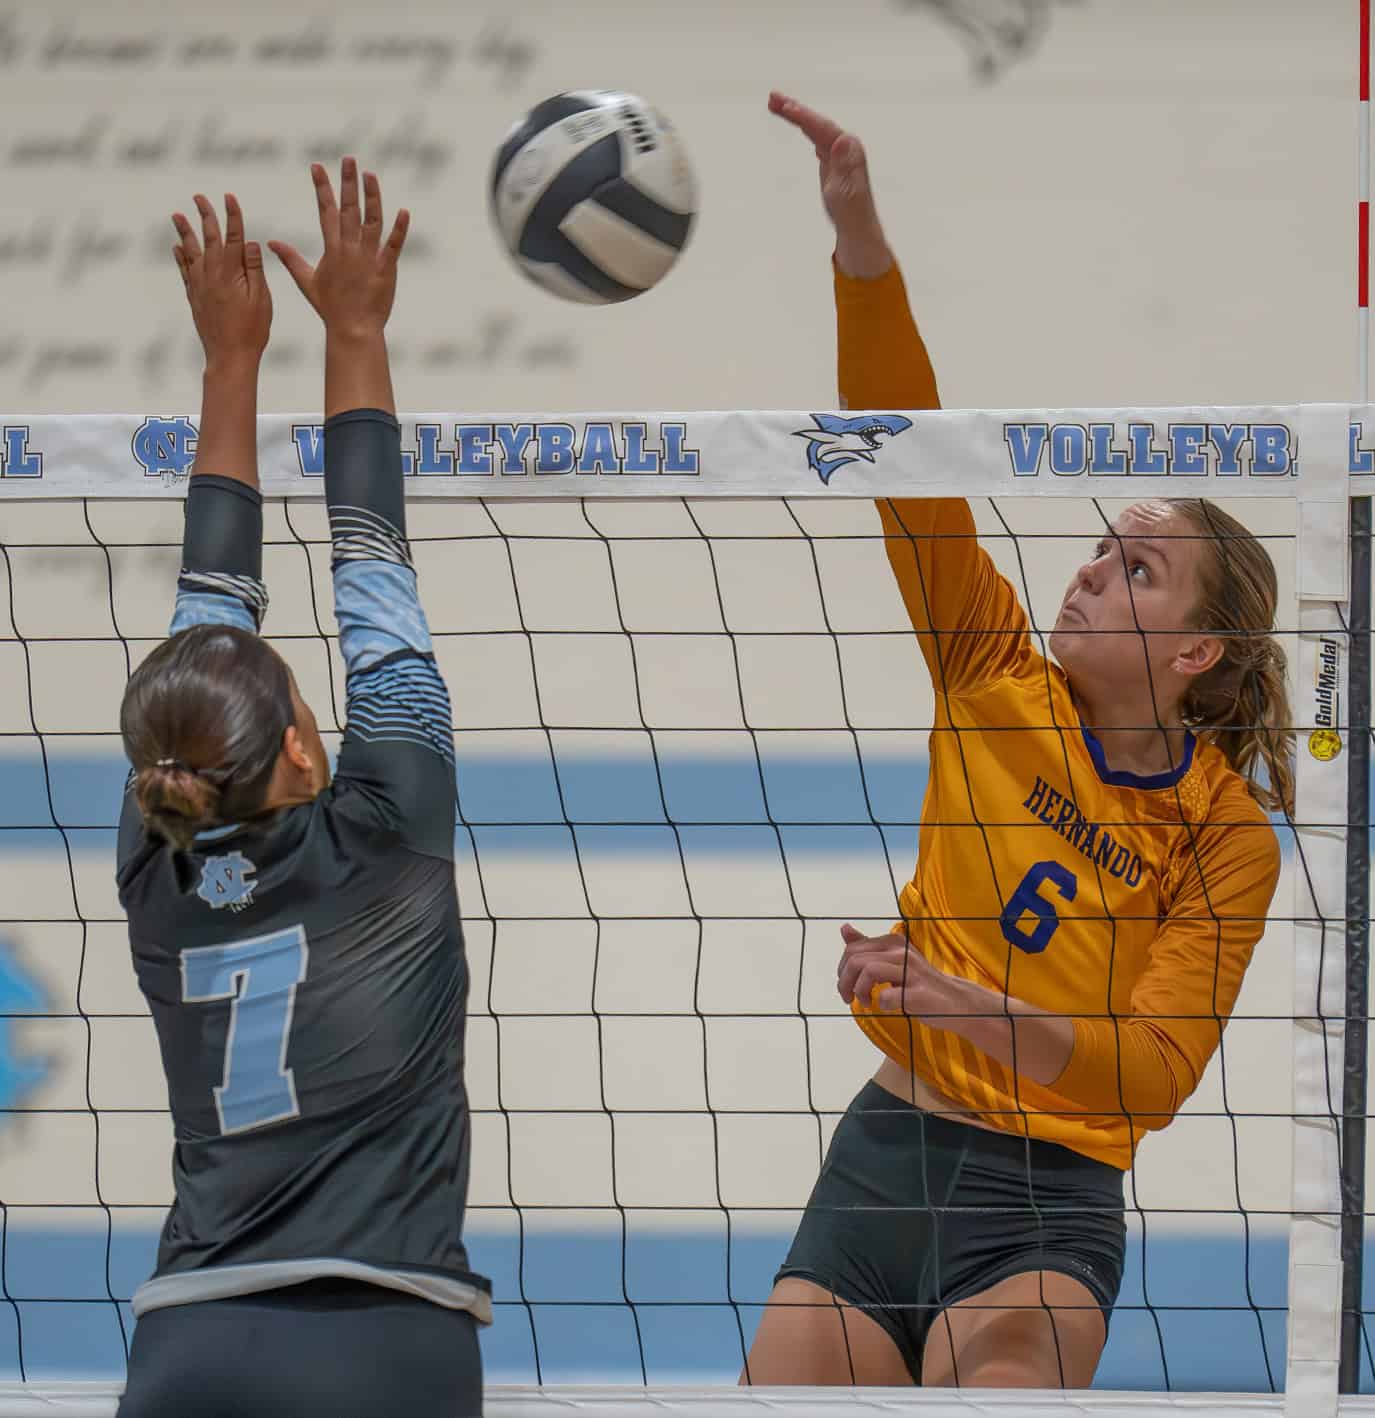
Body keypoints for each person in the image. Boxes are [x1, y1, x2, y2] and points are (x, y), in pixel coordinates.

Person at [744, 93, 1290, 1391]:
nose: (1094, 570)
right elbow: (905, 460)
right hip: (883, 1154)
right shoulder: (988, 669)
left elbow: (1150, 1075)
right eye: (1101, 544)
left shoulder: (1223, 834)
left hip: (1040, 1204)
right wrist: (859, 246)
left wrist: (965, 1003)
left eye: (1138, 568)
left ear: (1197, 649)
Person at [114, 162, 487, 1417]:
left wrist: (231, 363)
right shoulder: (389, 830)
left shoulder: (158, 862)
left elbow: (209, 634)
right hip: (390, 1344)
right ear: (305, 753)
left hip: (190, 1351)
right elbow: (369, 567)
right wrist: (357, 333)